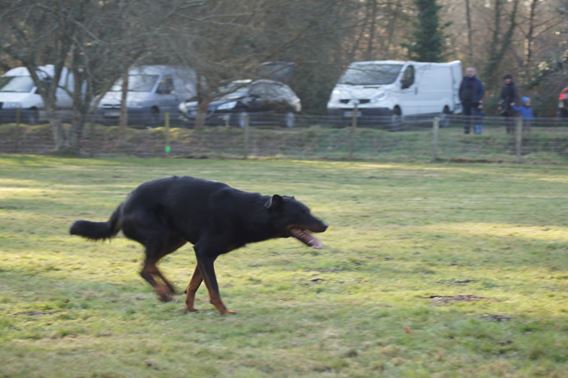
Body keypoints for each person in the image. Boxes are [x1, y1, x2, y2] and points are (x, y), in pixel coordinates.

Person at [459, 67, 484, 134]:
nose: (470, 73)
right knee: (466, 118)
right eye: (468, 71)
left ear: (474, 72)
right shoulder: (463, 81)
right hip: (465, 102)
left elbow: (481, 92)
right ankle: (466, 131)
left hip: (475, 103)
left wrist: (477, 99)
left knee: (476, 118)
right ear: (466, 72)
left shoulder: (478, 82)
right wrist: (461, 99)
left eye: (471, 71)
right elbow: (460, 90)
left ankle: (477, 132)